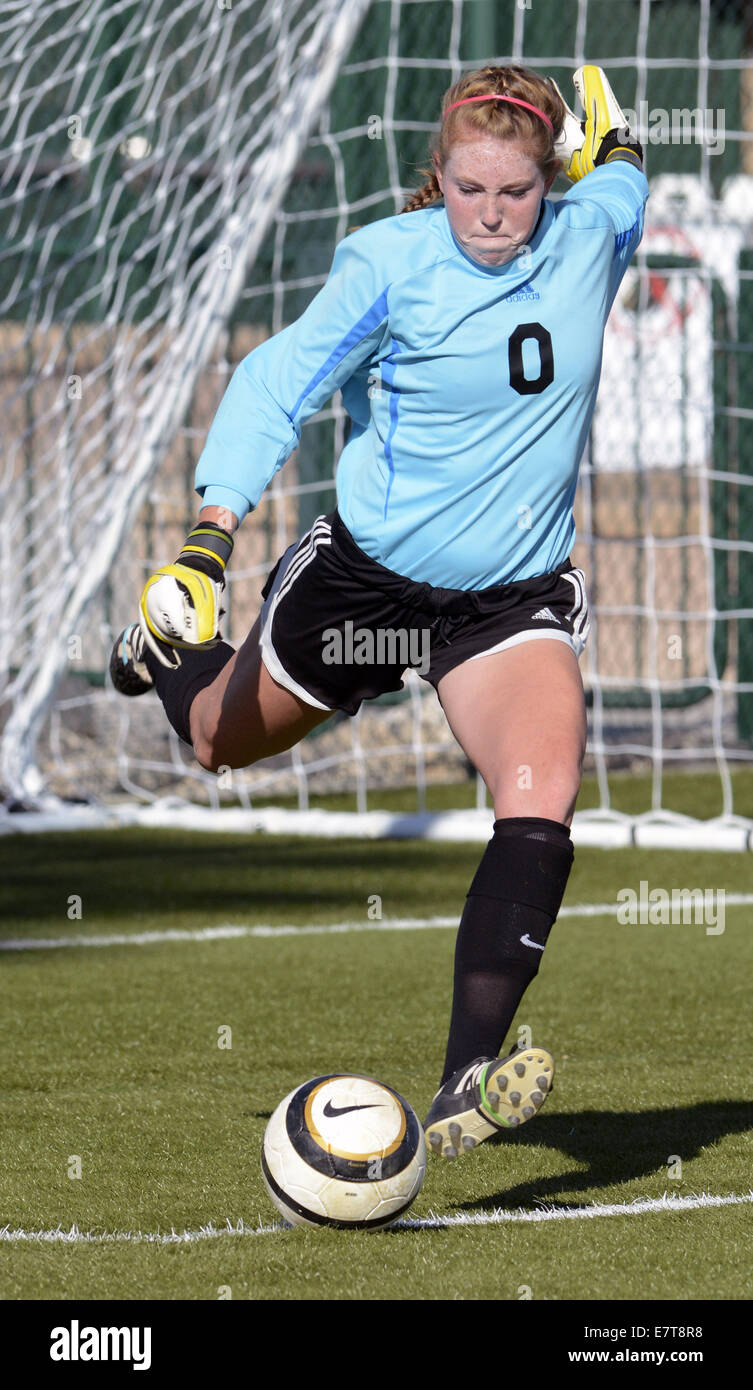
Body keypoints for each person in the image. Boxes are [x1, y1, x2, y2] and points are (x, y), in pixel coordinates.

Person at [110, 63, 648, 1159]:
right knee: (217, 740)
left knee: (541, 804)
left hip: (506, 599)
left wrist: (622, 142)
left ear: (552, 181)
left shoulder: (589, 231)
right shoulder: (386, 267)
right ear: (436, 177)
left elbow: (626, 180)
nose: (492, 216)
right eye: (468, 189)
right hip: (367, 584)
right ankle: (164, 650)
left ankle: (464, 1079)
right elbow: (274, 386)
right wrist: (208, 545)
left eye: (516, 192)